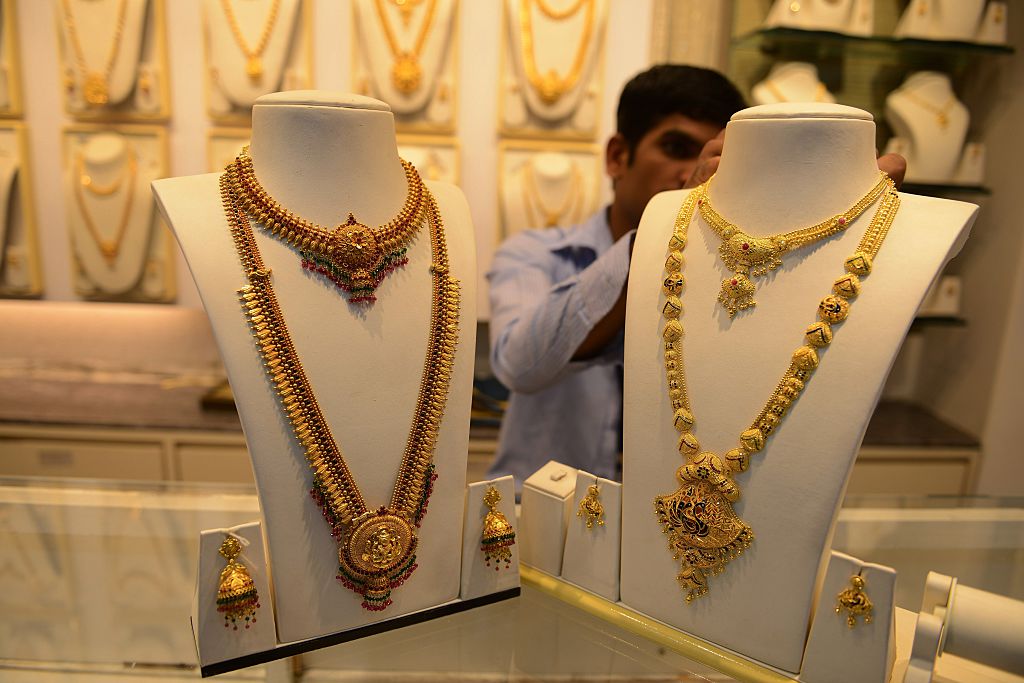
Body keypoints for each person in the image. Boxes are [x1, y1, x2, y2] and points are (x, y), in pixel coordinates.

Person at [485, 64, 906, 486]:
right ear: (617, 157)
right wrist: (665, 227)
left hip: (675, 528)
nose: (697, 170)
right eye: (674, 147)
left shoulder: (738, 278)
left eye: (725, 159)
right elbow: (518, 366)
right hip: (540, 524)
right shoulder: (535, 253)